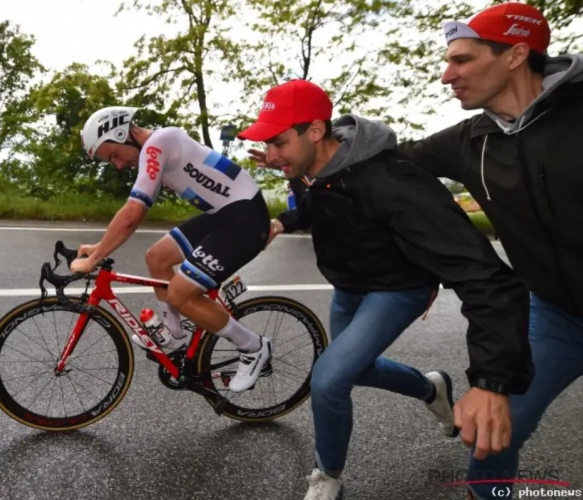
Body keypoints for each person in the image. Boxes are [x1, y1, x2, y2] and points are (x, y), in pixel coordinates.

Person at [238, 78, 533, 500]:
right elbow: (319, 201)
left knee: (328, 379)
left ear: (316, 132)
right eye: (267, 144)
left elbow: (479, 270)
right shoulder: (312, 170)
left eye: (278, 143)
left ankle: (329, 476)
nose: (270, 155)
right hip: (349, 286)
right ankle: (431, 387)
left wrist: (493, 376)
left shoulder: (391, 180)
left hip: (398, 290)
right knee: (356, 369)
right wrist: (285, 220)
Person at [396, 3, 583, 499]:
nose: (446, 75)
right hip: (558, 314)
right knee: (488, 434)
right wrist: (323, 145)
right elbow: (390, 163)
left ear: (516, 55)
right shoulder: (470, 139)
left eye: (462, 60)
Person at [73, 106, 272, 393]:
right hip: (224, 215)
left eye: (114, 155)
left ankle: (254, 348)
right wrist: (100, 247)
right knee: (157, 257)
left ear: (122, 134)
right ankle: (174, 334)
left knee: (180, 294)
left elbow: (133, 213)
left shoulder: (158, 144)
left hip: (245, 220)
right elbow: (131, 212)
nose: (117, 165)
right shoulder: (156, 147)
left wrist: (95, 257)